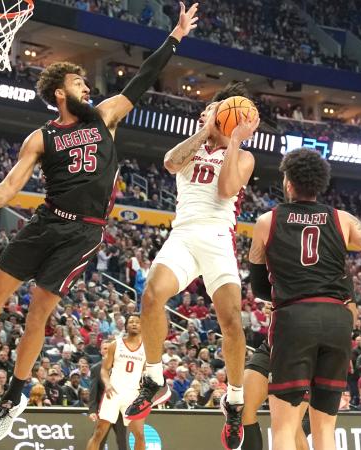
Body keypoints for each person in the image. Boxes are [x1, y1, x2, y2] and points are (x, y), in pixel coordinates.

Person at [0, 3, 200, 444]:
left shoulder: (106, 116)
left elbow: (143, 77)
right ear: (60, 93)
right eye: (78, 83)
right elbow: (10, 186)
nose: (86, 88)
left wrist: (175, 35)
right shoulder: (40, 137)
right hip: (46, 221)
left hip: (84, 229)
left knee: (39, 309)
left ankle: (14, 396)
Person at [246, 148, 361, 450]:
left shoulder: (266, 221)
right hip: (337, 320)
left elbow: (258, 286)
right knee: (325, 431)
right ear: (320, 184)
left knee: (284, 427)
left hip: (294, 318)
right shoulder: (343, 219)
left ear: (288, 182)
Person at [125, 82, 258, 450]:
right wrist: (207, 129)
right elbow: (169, 162)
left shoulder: (243, 157)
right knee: (151, 295)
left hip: (217, 238)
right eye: (207, 113)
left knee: (231, 321)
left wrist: (232, 140)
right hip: (183, 235)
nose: (210, 116)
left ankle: (233, 400)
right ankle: (154, 379)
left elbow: (227, 189)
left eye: (215, 113)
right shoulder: (191, 146)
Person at [87, 315, 145, 450]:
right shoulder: (115, 345)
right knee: (99, 433)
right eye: (131, 322)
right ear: (126, 326)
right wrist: (107, 384)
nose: (134, 324)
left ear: (142, 326)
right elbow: (104, 370)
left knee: (140, 435)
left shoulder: (146, 348)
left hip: (133, 396)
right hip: (113, 393)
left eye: (137, 322)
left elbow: (147, 372)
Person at [88, 341, 127, 450]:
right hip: (104, 408)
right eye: (104, 348)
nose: (107, 350)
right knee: (99, 438)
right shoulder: (96, 368)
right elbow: (93, 391)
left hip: (119, 409)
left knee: (122, 440)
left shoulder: (121, 367)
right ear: (100, 351)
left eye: (109, 348)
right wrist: (92, 410)